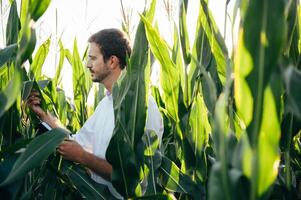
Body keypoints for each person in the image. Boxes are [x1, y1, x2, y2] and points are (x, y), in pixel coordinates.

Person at [27, 28, 164, 199]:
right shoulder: (105, 105)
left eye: (93, 58)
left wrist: (83, 157)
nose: (87, 64)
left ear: (112, 61)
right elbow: (77, 143)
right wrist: (44, 116)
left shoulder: (143, 108)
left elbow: (134, 178)